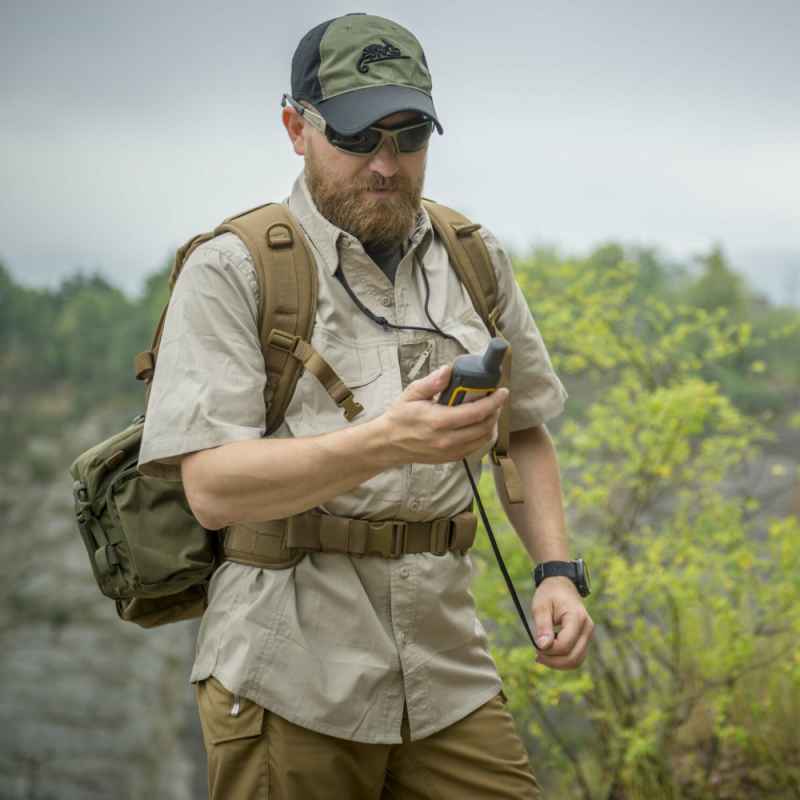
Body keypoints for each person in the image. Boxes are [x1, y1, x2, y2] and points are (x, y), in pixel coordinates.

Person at [137, 12, 593, 799]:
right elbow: (211, 488)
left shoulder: (474, 258)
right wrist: (387, 441)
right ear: (295, 125)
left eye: (409, 135)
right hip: (288, 676)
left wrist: (556, 572)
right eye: (357, 137)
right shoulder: (233, 270)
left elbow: (523, 430)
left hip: (449, 671)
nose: (386, 164)